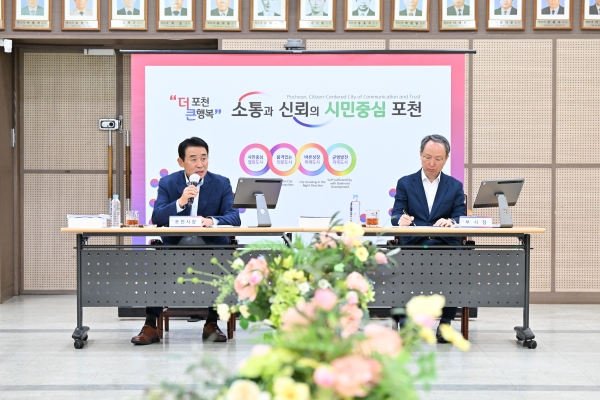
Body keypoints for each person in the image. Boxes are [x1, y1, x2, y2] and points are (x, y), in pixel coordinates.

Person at [131, 137, 241, 345]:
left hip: (211, 248)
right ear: (181, 162)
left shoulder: (222, 183)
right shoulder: (168, 183)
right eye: (193, 159)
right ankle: (150, 325)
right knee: (155, 265)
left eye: (204, 158)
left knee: (223, 263)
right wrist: (180, 202)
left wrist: (210, 221)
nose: (200, 164)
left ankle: (211, 323)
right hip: (175, 247)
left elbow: (234, 217)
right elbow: (158, 217)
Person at [390, 135, 464, 344]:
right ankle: (406, 324)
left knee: (458, 267)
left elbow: (460, 216)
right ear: (420, 155)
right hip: (414, 244)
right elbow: (396, 213)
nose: (432, 163)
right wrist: (401, 220)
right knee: (399, 267)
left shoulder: (454, 186)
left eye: (438, 159)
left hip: (444, 245)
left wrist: (451, 222)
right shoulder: (406, 183)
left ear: (446, 159)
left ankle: (445, 324)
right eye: (427, 157)